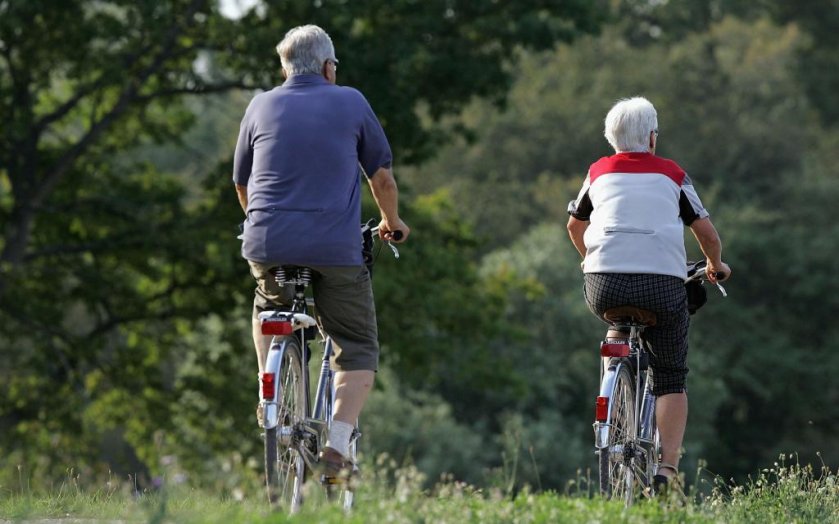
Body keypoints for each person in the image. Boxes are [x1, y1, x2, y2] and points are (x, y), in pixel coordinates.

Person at [232, 24, 410, 478]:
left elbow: (242, 183)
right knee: (355, 344)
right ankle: (336, 448)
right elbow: (382, 178)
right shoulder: (350, 100)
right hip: (334, 249)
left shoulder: (259, 104)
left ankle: (266, 392)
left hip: (266, 243)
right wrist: (392, 222)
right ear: (329, 67)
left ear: (285, 68)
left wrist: (265, 225)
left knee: (266, 307)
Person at [566, 97, 730, 492]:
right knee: (671, 375)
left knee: (615, 322)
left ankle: (612, 379)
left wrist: (592, 260)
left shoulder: (598, 172)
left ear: (611, 138)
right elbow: (705, 233)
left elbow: (574, 226)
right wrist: (715, 265)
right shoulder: (672, 175)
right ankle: (667, 469)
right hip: (660, 285)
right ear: (652, 137)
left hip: (603, 285)